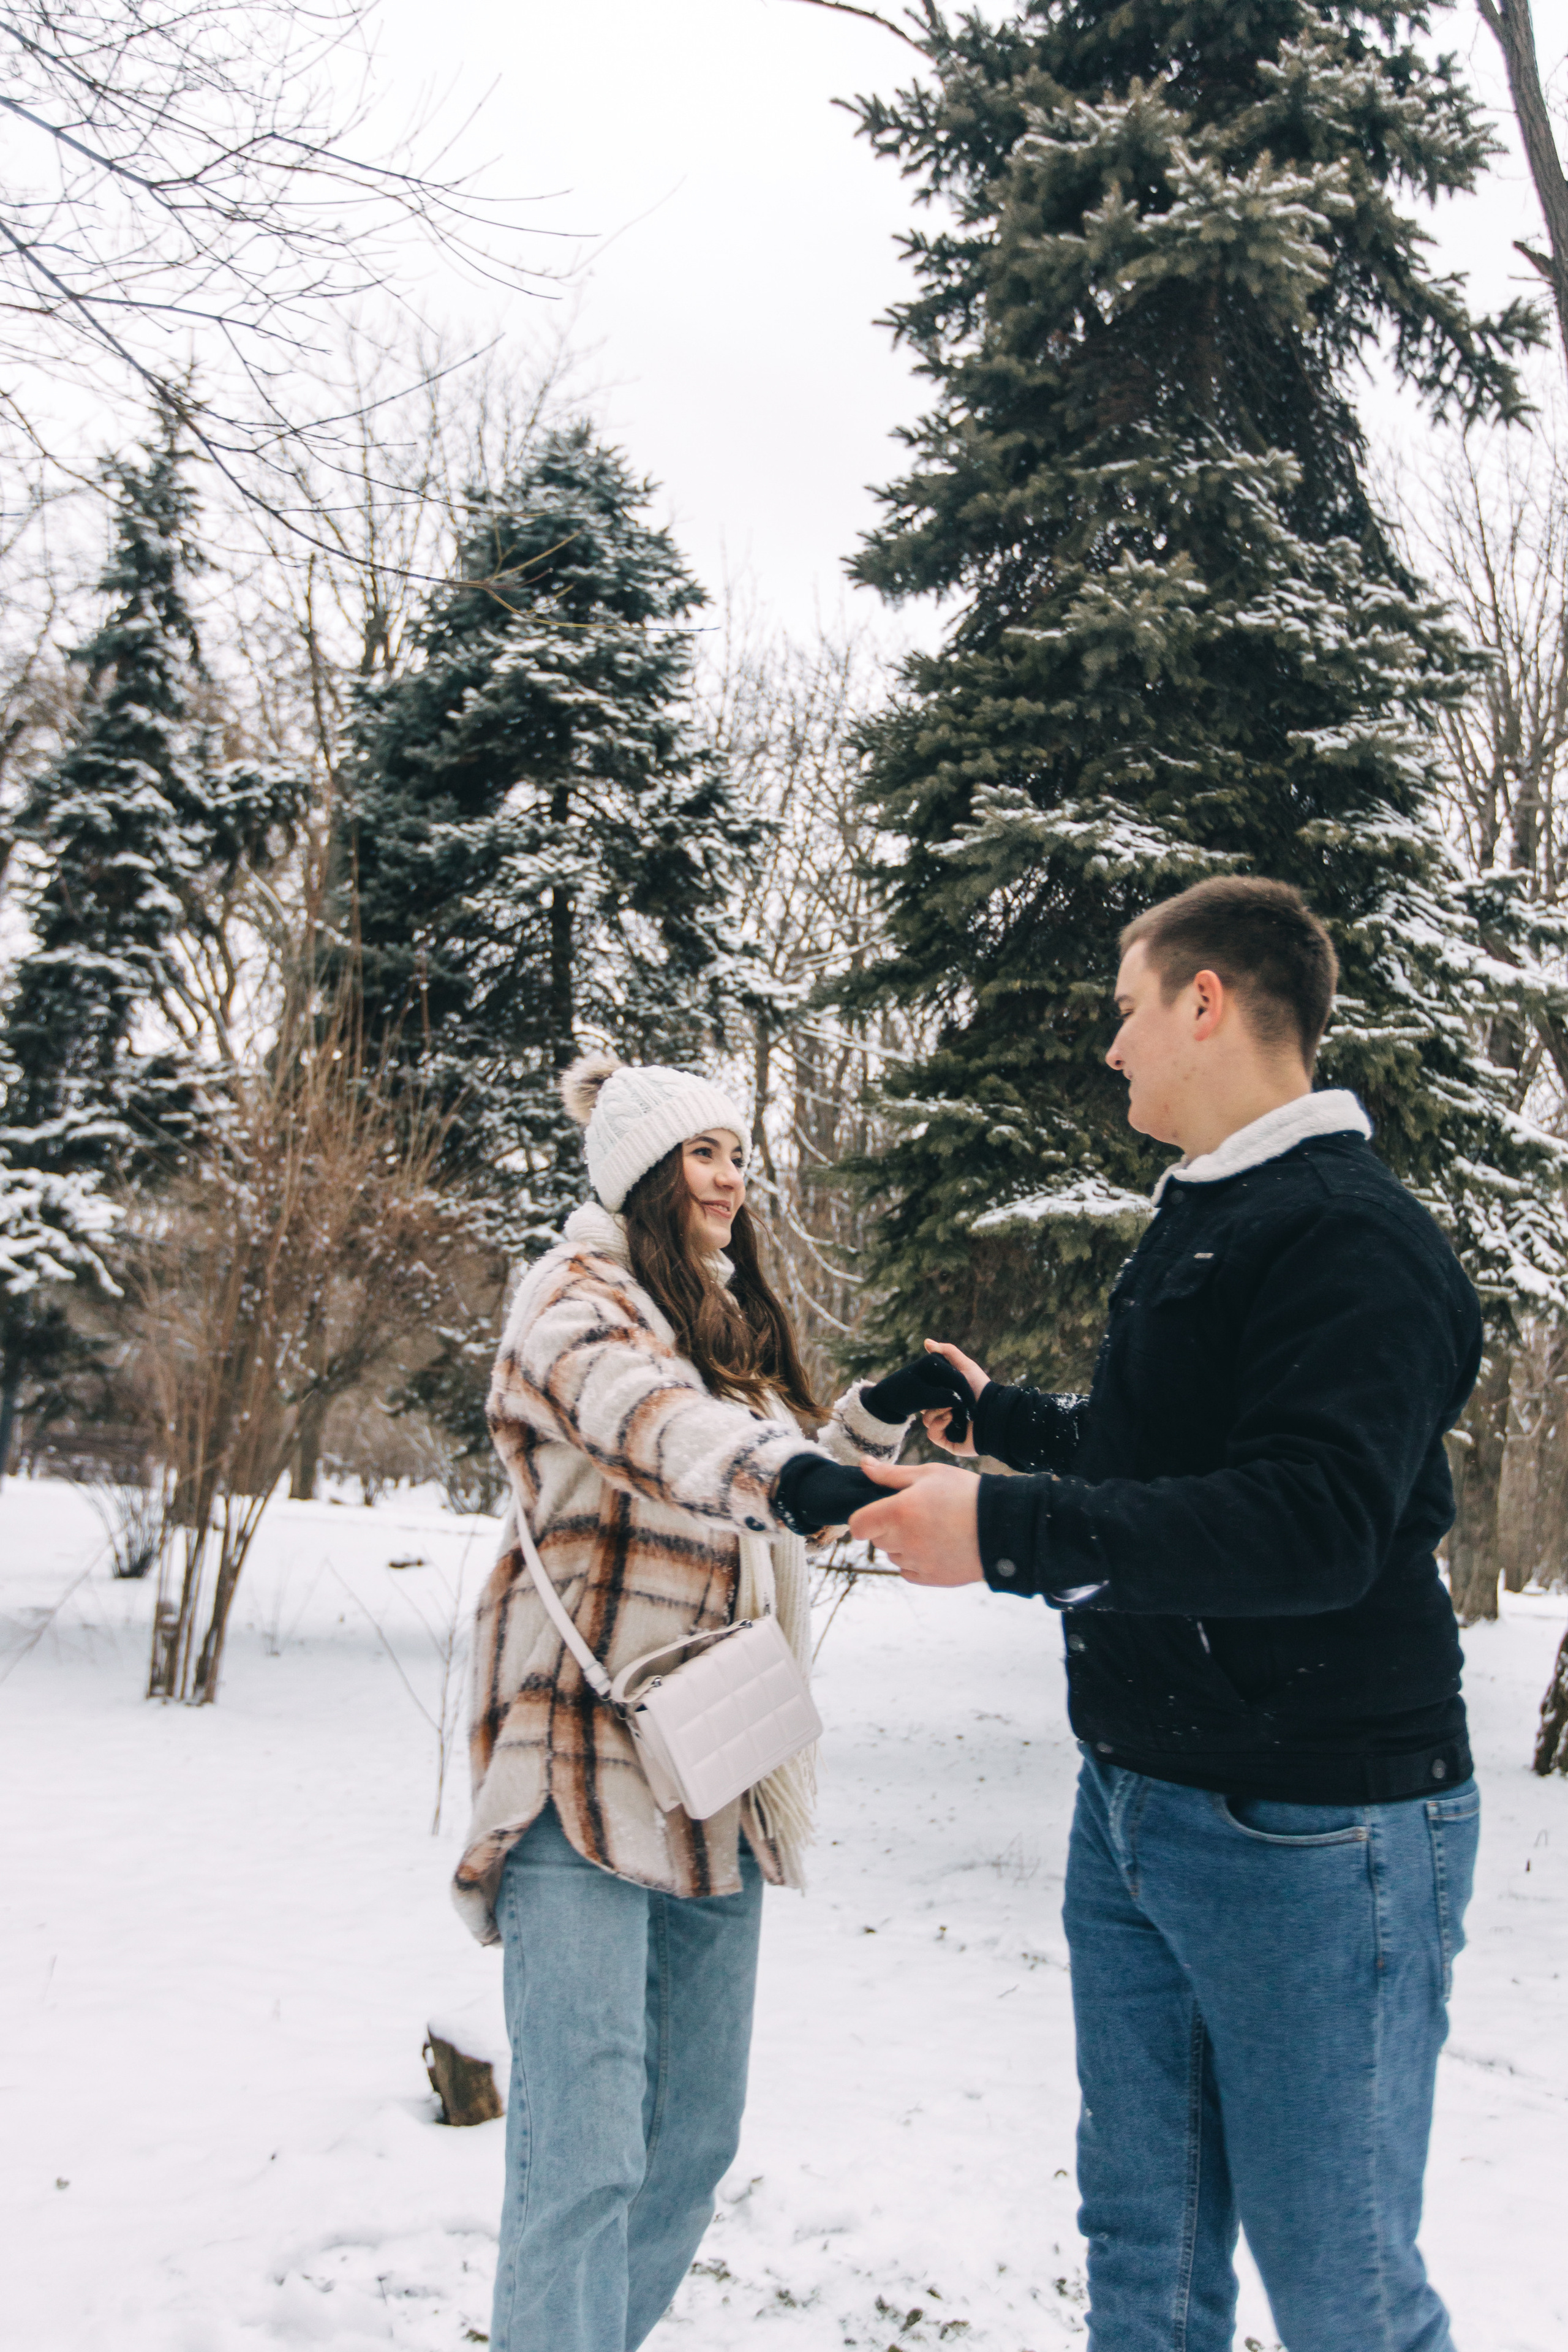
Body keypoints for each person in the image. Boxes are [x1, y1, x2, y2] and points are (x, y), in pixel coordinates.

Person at [849, 876, 1483, 2352]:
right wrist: (1007, 1425)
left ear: (1205, 1002)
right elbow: (1181, 1460)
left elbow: (1311, 1522)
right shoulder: (1216, 1210)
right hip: (1137, 1797)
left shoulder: (1351, 1238)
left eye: (1126, 1010)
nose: (1112, 1047)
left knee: (1340, 2292)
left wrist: (1002, 1534)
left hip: (1311, 1826)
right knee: (1144, 2248)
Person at [452, 1052, 914, 2352]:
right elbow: (654, 1426)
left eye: (738, 1154)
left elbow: (767, 1467)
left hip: (710, 1769)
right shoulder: (574, 1303)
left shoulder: (709, 1328)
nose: (732, 1179)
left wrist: (873, 1423)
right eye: (705, 1153)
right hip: (581, 1765)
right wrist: (790, 1476)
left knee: (690, 2142)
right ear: (644, 1170)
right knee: (586, 2149)